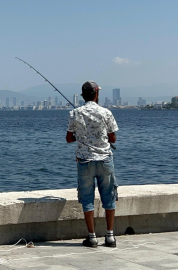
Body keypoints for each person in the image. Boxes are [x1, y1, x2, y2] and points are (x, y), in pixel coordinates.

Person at [66, 80, 119, 248]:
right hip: (105, 160)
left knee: (87, 199)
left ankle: (92, 237)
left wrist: (81, 138)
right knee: (109, 197)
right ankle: (110, 236)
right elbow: (113, 138)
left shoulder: (74, 113)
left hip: (85, 162)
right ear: (97, 94)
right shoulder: (106, 113)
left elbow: (69, 138)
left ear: (83, 95)